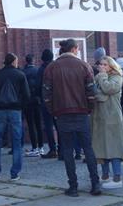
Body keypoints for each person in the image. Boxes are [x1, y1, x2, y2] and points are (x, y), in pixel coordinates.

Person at [43, 38, 101, 197]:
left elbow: (46, 94)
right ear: (75, 49)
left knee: (67, 150)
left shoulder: (52, 67)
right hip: (81, 112)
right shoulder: (84, 66)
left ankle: (73, 186)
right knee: (88, 148)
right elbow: (91, 91)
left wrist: (53, 111)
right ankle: (95, 183)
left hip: (62, 113)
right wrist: (89, 109)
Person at [0, 53, 30, 181]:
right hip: (15, 110)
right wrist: (21, 106)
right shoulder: (20, 75)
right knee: (16, 142)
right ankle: (14, 173)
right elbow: (26, 95)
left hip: (0, 110)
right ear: (13, 61)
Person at [92, 56, 123, 188]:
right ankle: (105, 175)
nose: (102, 67)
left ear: (111, 66)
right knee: (102, 147)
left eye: (105, 65)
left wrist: (102, 79)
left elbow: (109, 89)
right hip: (99, 117)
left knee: (114, 148)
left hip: (112, 118)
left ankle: (117, 178)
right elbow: (94, 93)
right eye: (101, 64)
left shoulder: (116, 77)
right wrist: (100, 92)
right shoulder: (97, 78)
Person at [35, 49, 59, 159]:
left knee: (49, 126)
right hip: (57, 100)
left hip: (45, 101)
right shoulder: (56, 67)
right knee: (58, 124)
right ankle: (62, 148)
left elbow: (38, 85)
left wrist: (39, 97)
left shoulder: (42, 69)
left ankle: (53, 149)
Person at [22, 53, 43, 157]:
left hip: (27, 102)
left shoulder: (23, 72)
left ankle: (34, 147)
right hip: (38, 101)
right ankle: (41, 147)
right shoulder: (38, 70)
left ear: (26, 61)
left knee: (31, 125)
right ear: (33, 60)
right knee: (39, 124)